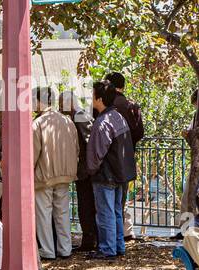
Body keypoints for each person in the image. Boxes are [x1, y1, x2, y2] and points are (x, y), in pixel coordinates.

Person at [87, 80, 136, 260]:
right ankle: (118, 245)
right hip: (121, 174)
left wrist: (91, 170)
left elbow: (96, 153)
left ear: (99, 98)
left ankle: (107, 248)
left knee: (105, 212)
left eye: (92, 94)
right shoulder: (118, 117)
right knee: (116, 211)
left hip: (105, 175)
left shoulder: (102, 122)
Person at [32, 87, 79, 260]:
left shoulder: (37, 123)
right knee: (63, 212)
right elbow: (76, 148)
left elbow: (33, 153)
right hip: (66, 173)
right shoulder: (67, 121)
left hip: (44, 175)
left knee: (44, 214)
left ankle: (48, 250)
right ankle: (65, 248)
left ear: (39, 101)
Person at [105, 72, 145, 239]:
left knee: (108, 199)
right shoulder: (132, 106)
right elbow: (140, 132)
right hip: (128, 156)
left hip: (109, 157)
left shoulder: (107, 104)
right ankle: (123, 232)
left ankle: (112, 235)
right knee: (122, 197)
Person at [62, 89, 99, 253]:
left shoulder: (79, 117)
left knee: (86, 205)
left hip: (85, 171)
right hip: (84, 170)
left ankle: (90, 240)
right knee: (86, 206)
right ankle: (90, 238)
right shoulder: (79, 116)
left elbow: (88, 143)